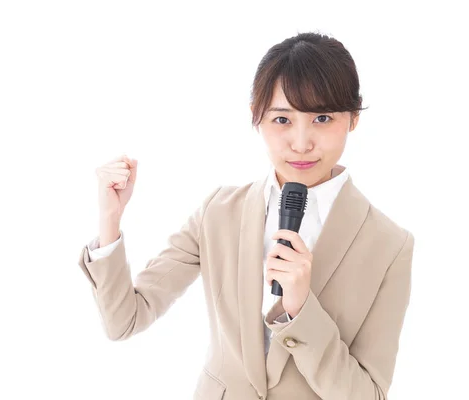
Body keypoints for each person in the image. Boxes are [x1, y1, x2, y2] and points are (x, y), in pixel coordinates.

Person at [76, 31, 415, 400]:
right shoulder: (218, 213)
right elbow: (124, 321)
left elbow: (369, 394)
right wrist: (110, 222)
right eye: (282, 120)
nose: (301, 142)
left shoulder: (389, 245)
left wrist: (301, 309)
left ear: (352, 119)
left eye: (322, 117)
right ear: (256, 118)